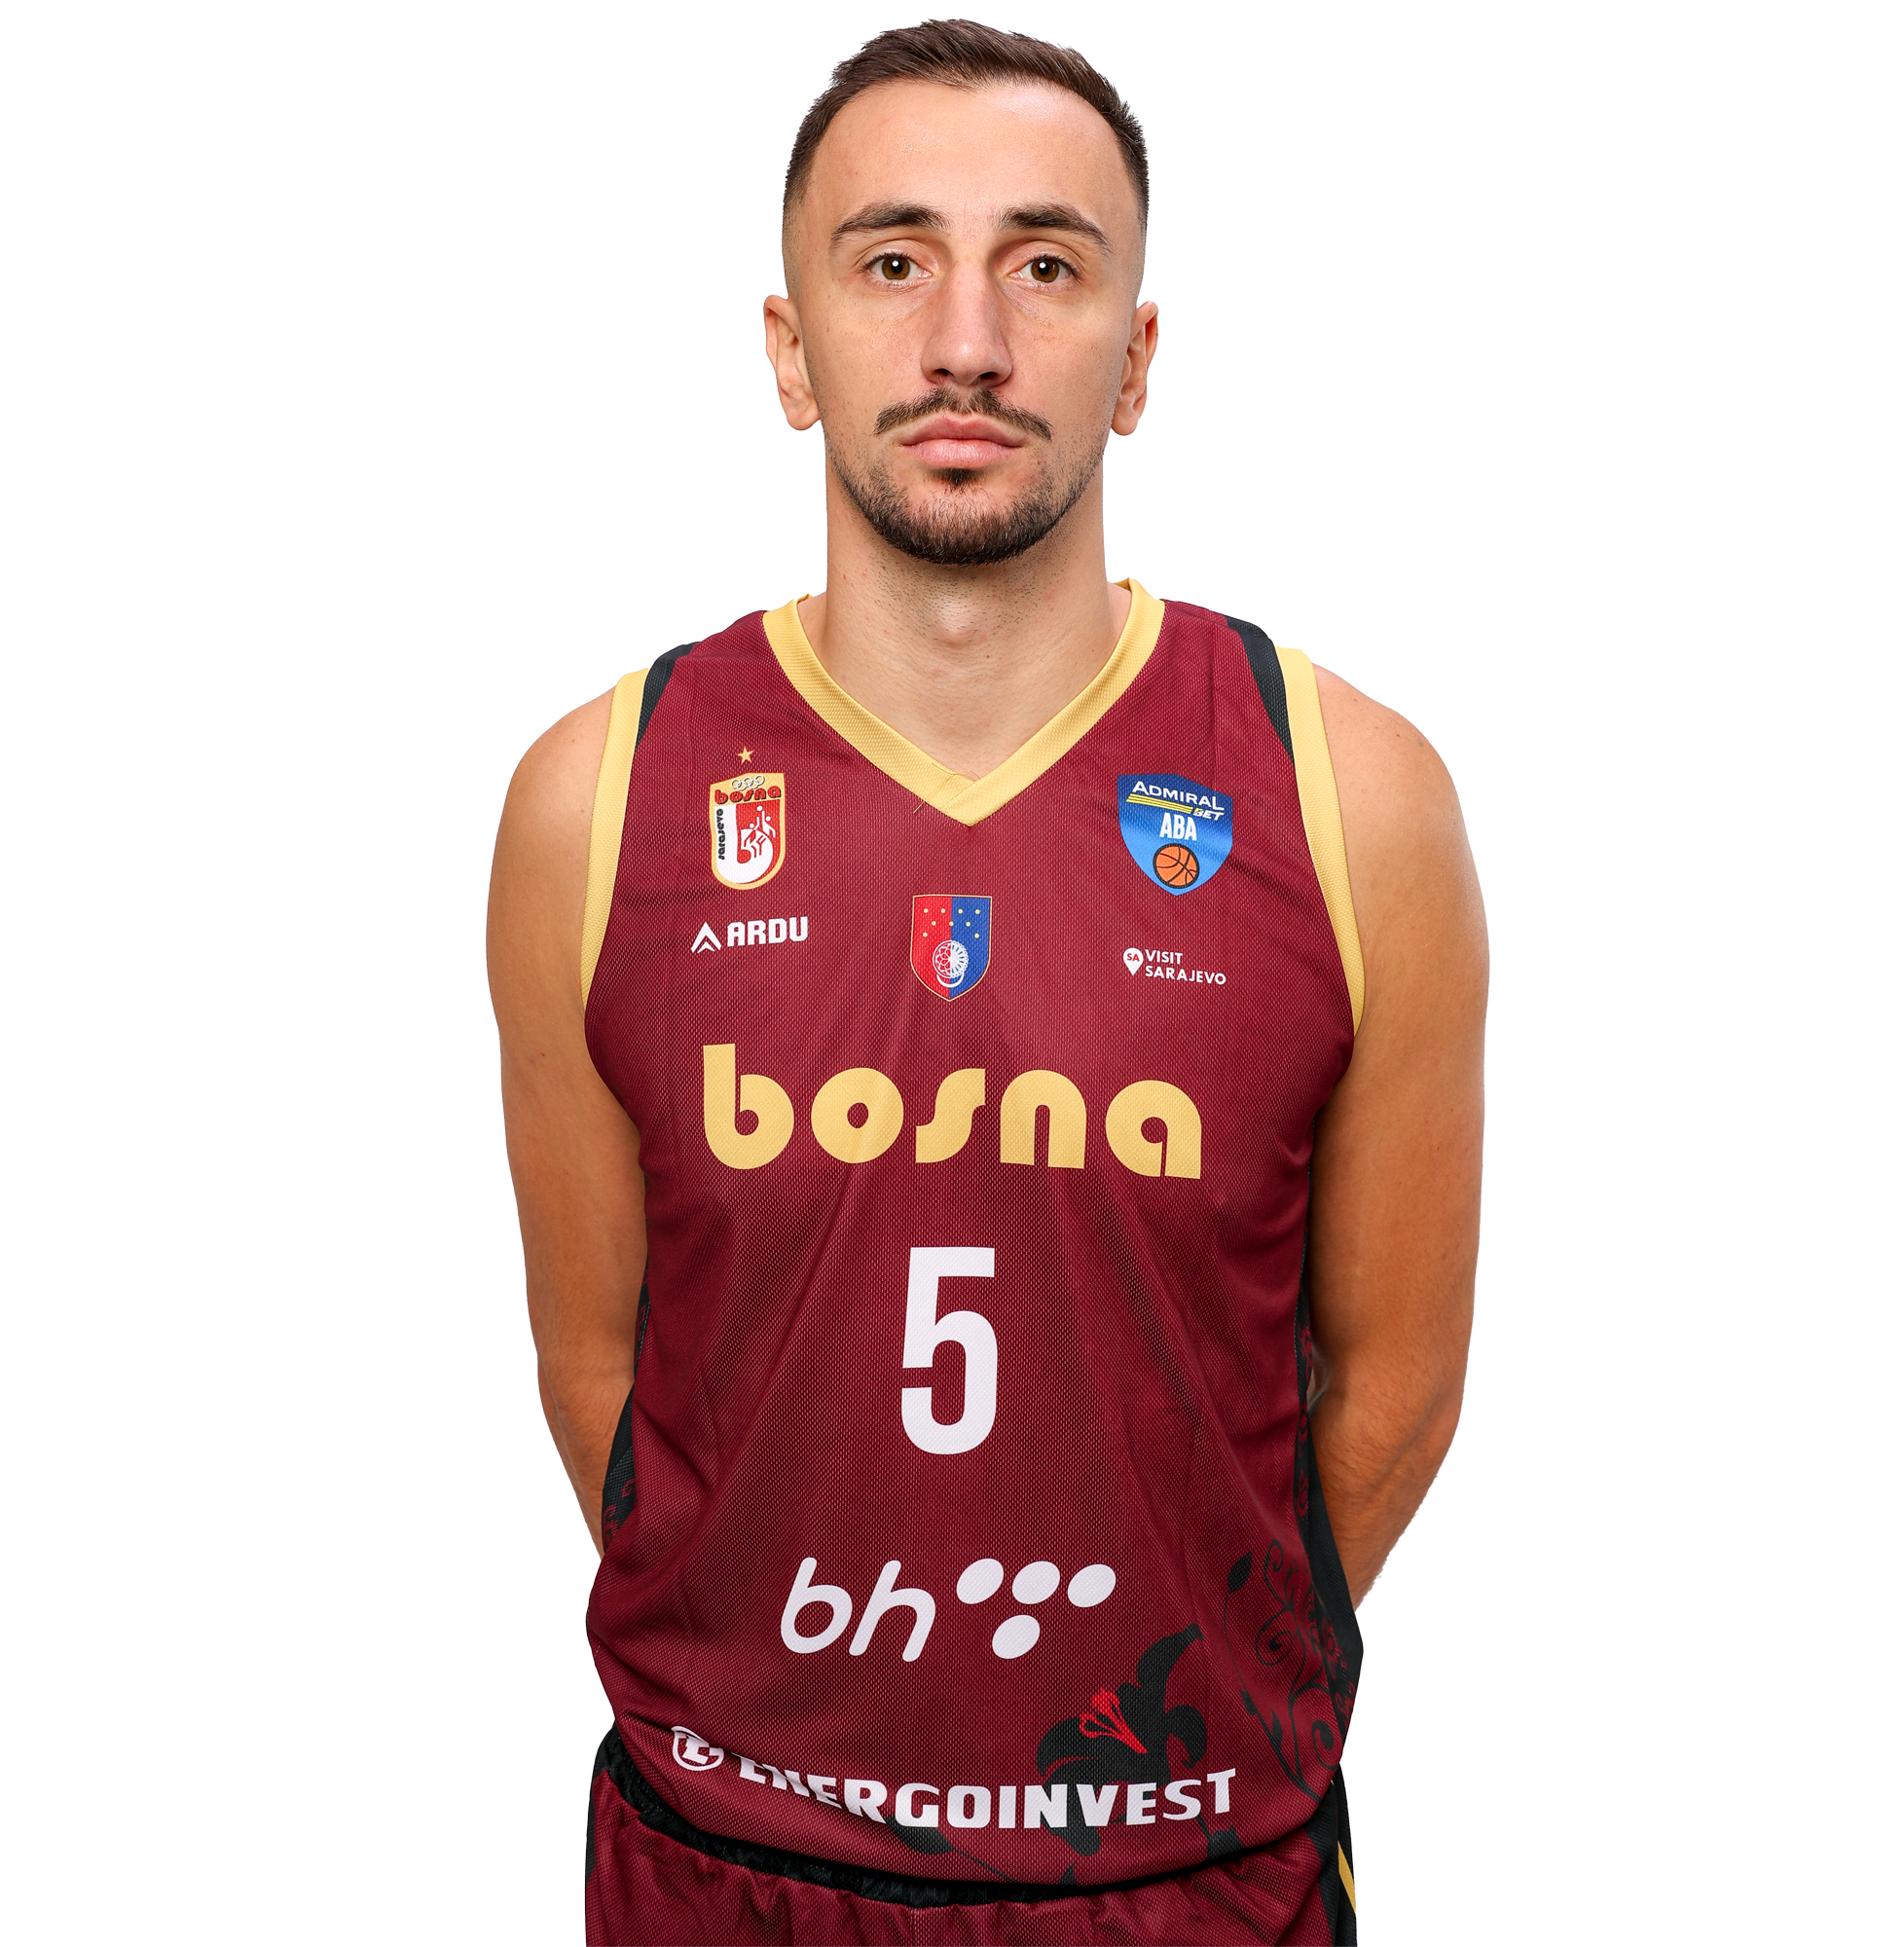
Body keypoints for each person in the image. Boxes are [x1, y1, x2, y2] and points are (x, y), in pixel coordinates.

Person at [487, 20, 1484, 1944]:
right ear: (791, 350)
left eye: (1045, 264)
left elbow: (1397, 1387)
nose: (968, 340)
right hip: (729, 1870)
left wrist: (1159, 1690)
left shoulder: (1349, 796)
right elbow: (599, 1368)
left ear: (1138, 354)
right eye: (891, 261)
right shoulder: (596, 801)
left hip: (1189, 1876)